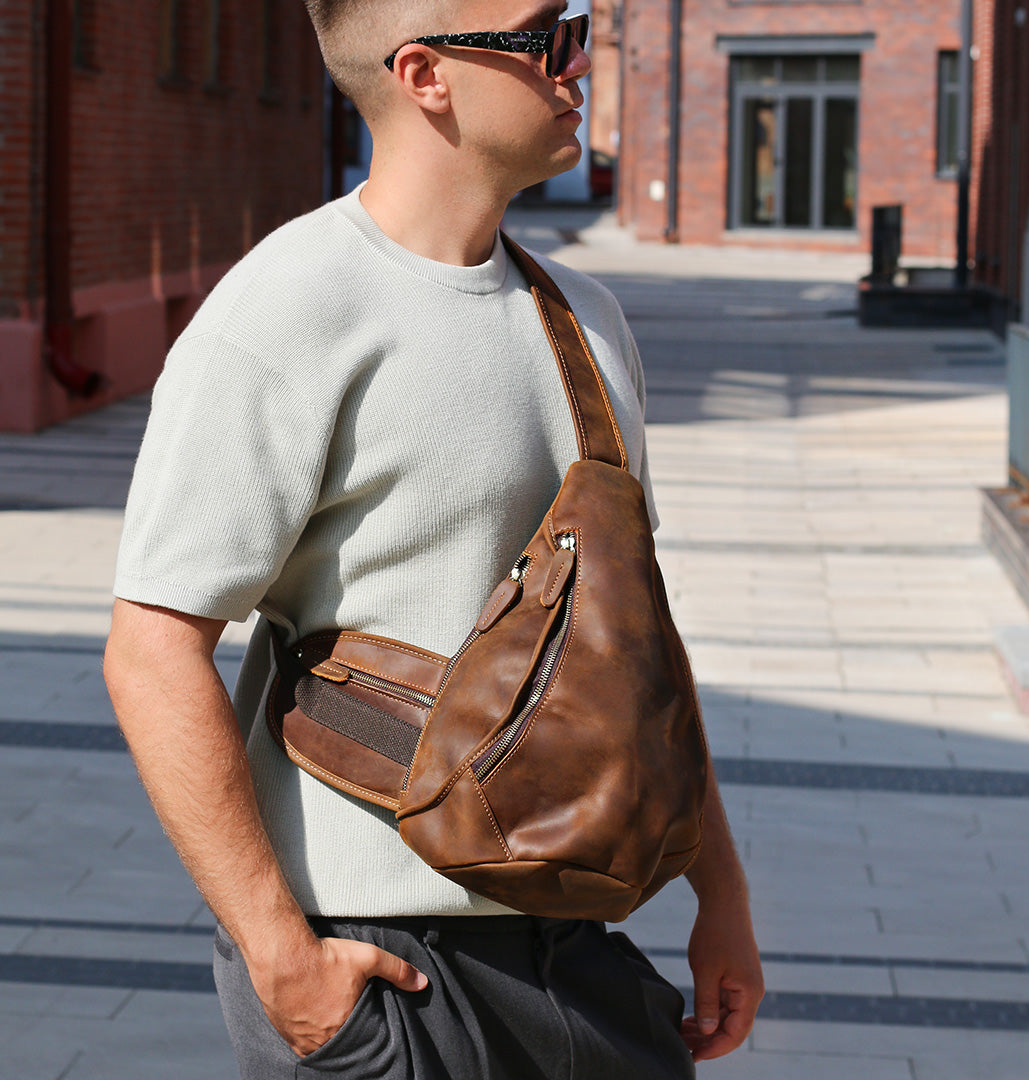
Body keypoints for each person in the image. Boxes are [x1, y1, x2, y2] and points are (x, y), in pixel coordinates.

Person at [103, 1, 764, 1075]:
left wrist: (720, 894)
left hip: (582, 952)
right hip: (378, 961)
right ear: (425, 74)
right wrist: (284, 961)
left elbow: (632, 646)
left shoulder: (586, 319)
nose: (577, 63)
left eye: (581, 29)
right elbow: (151, 648)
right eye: (546, 35)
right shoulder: (289, 307)